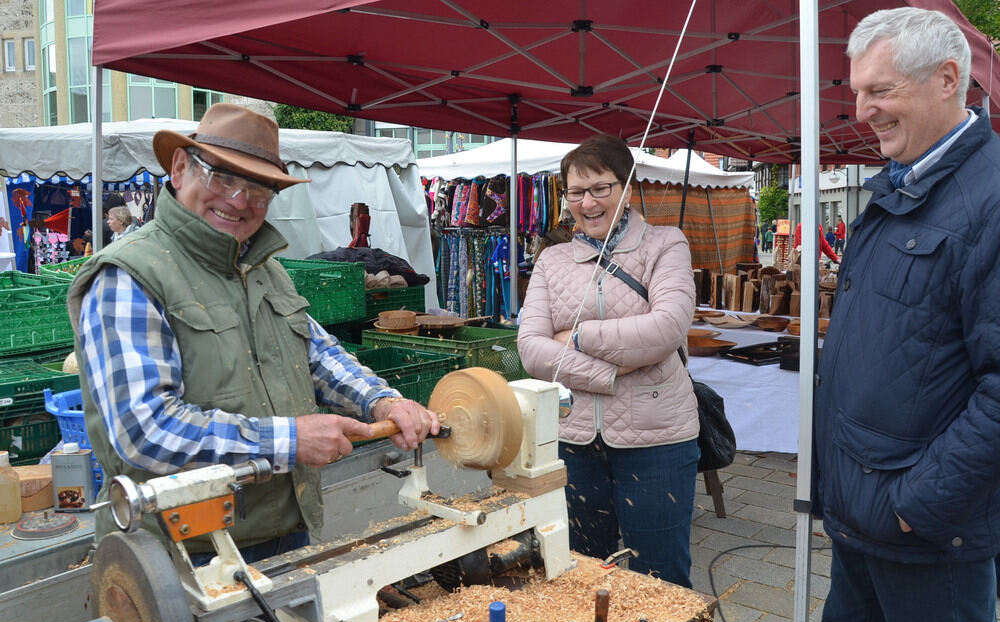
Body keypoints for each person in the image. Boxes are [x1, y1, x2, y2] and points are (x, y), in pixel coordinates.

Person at [66, 104, 439, 562]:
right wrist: (290, 440)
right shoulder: (128, 276)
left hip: (283, 530)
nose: (240, 200)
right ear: (180, 168)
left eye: (260, 190)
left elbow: (317, 354)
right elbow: (145, 430)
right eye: (222, 178)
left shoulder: (263, 268)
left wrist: (383, 401)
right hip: (181, 553)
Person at [813, 8, 1000, 622]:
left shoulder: (990, 199)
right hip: (865, 518)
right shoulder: (898, 185)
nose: (861, 110)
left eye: (880, 90)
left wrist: (915, 506)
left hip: (927, 536)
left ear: (947, 79)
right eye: (857, 91)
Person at [517, 134, 699, 587]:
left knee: (660, 579)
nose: (588, 203)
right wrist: (613, 371)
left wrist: (577, 336)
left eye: (601, 188)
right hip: (573, 438)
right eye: (576, 192)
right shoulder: (552, 259)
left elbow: (666, 328)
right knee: (579, 572)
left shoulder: (666, 244)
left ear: (628, 188)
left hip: (657, 438)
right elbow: (531, 349)